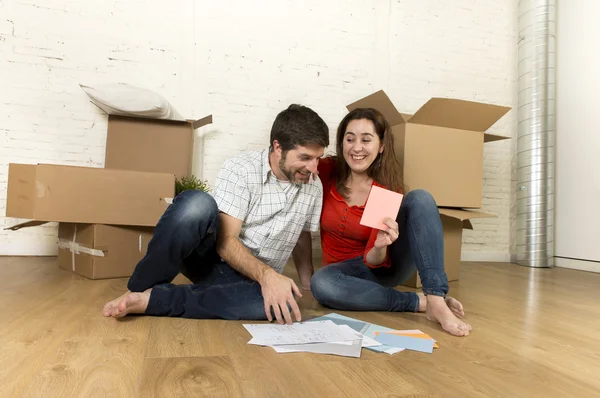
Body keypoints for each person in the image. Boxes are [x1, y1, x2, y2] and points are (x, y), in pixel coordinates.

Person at [103, 104, 329, 325]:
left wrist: (307, 284)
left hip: (249, 280)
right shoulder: (241, 169)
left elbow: (301, 235)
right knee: (197, 204)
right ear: (278, 147)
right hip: (210, 258)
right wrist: (267, 276)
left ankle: (152, 300)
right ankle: (139, 290)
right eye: (305, 158)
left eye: (318, 158)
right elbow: (225, 242)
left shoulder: (314, 186)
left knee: (281, 306)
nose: (314, 168)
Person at [306, 107, 472, 337]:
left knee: (420, 198)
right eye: (350, 139)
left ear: (381, 146)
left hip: (379, 266)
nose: (356, 148)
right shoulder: (326, 170)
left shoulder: (384, 189)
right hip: (338, 275)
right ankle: (419, 302)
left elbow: (374, 262)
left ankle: (435, 297)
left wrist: (380, 245)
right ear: (341, 142)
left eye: (366, 140)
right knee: (321, 284)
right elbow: (299, 159)